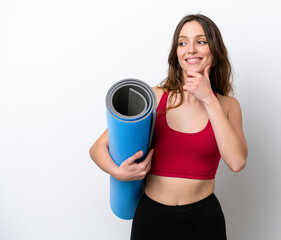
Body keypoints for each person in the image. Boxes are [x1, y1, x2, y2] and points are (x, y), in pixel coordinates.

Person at [89, 14, 248, 240]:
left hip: (204, 221)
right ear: (176, 53)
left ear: (214, 50)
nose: (190, 49)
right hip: (151, 219)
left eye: (200, 41)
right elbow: (97, 149)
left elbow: (237, 162)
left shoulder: (228, 106)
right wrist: (119, 172)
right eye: (182, 43)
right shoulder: (155, 98)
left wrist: (209, 100)